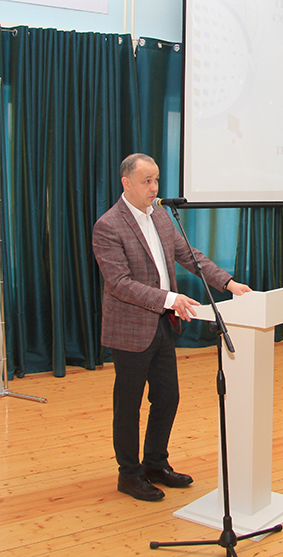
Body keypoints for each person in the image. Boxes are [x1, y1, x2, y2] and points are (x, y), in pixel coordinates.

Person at [92, 153, 252, 501]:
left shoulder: (161, 216)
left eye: (156, 180)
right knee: (128, 405)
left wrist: (228, 283)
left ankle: (155, 464)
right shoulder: (109, 225)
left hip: (163, 324)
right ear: (126, 183)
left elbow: (190, 256)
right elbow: (119, 283)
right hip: (130, 328)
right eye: (147, 181)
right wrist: (170, 299)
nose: (154, 188)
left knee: (167, 397)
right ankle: (129, 474)